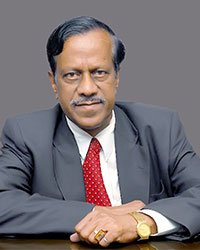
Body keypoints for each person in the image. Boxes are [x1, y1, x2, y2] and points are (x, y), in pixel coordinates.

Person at [0, 16, 200, 247]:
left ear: (117, 77)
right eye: (71, 75)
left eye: (99, 72)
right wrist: (100, 215)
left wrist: (140, 221)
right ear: (53, 83)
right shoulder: (26, 134)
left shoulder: (161, 127)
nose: (87, 88)